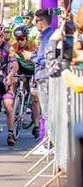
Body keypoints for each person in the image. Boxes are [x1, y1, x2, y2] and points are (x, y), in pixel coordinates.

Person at [33, 9, 54, 141]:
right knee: (45, 110)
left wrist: (32, 57)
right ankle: (47, 139)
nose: (35, 24)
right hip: (42, 76)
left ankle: (49, 141)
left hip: (45, 76)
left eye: (36, 21)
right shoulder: (45, 35)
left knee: (47, 111)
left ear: (42, 21)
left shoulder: (48, 36)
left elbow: (47, 59)